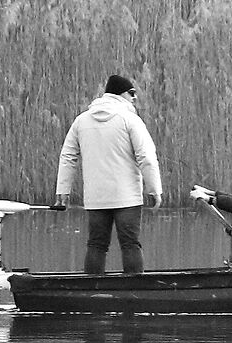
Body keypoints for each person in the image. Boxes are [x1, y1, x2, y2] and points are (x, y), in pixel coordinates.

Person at [54, 73, 164, 275]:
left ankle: (91, 292)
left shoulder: (81, 121)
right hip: (127, 197)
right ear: (122, 94)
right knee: (130, 244)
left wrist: (63, 190)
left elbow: (67, 156)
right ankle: (135, 292)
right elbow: (146, 157)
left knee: (96, 245)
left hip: (96, 198)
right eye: (132, 94)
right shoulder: (131, 120)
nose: (134, 99)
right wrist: (155, 189)